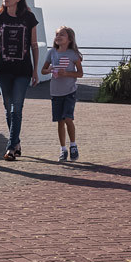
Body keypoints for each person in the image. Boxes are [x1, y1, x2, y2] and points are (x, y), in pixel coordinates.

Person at [0, 0, 40, 161]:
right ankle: (17, 142)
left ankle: (11, 148)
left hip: (23, 71)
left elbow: (34, 45)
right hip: (3, 70)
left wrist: (35, 70)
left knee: (16, 109)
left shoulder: (29, 17)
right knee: (8, 109)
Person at [41, 25, 84, 161]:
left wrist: (67, 73)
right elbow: (43, 70)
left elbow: (80, 73)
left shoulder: (73, 54)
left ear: (70, 39)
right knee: (60, 121)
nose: (58, 37)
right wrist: (50, 70)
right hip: (55, 92)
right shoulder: (52, 52)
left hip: (69, 91)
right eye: (57, 34)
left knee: (68, 119)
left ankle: (73, 145)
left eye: (62, 34)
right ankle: (63, 149)